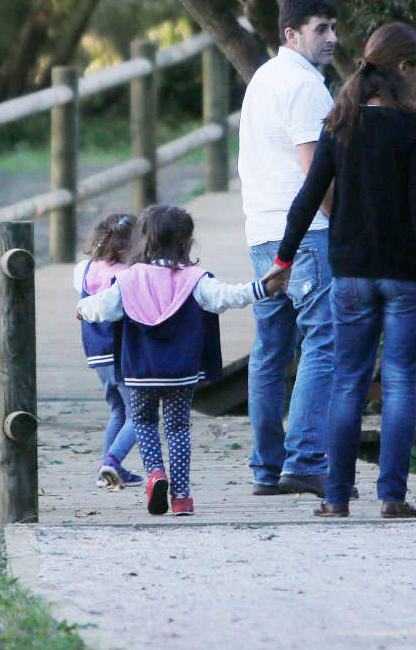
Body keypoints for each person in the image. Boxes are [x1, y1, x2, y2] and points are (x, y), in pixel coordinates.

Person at [275, 21, 416, 520]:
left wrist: (284, 260)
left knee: (347, 383)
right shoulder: (414, 129)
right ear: (403, 68)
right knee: (399, 384)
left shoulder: (340, 124)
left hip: (350, 274)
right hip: (405, 276)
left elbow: (308, 197)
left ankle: (335, 497)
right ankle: (391, 496)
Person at [78, 204, 290, 516]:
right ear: (187, 241)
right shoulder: (194, 278)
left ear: (144, 239)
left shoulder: (130, 279)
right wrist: (262, 288)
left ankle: (155, 474)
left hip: (140, 371)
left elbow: (103, 308)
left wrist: (82, 309)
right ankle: (181, 497)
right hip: (181, 371)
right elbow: (226, 296)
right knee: (178, 429)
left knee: (144, 422)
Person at [237, 0, 340, 496]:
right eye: (321, 29)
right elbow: (314, 172)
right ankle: (305, 460)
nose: (332, 38)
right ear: (291, 34)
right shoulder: (305, 86)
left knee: (271, 349)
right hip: (306, 234)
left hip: (262, 232)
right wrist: (344, 222)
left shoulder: (263, 78)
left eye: (334, 27)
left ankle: (266, 468)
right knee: (325, 340)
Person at [74, 213, 143, 490]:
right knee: (139, 415)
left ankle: (106, 471)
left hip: (96, 353)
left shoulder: (85, 269)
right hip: (120, 351)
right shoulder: (126, 275)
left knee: (118, 411)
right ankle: (112, 462)